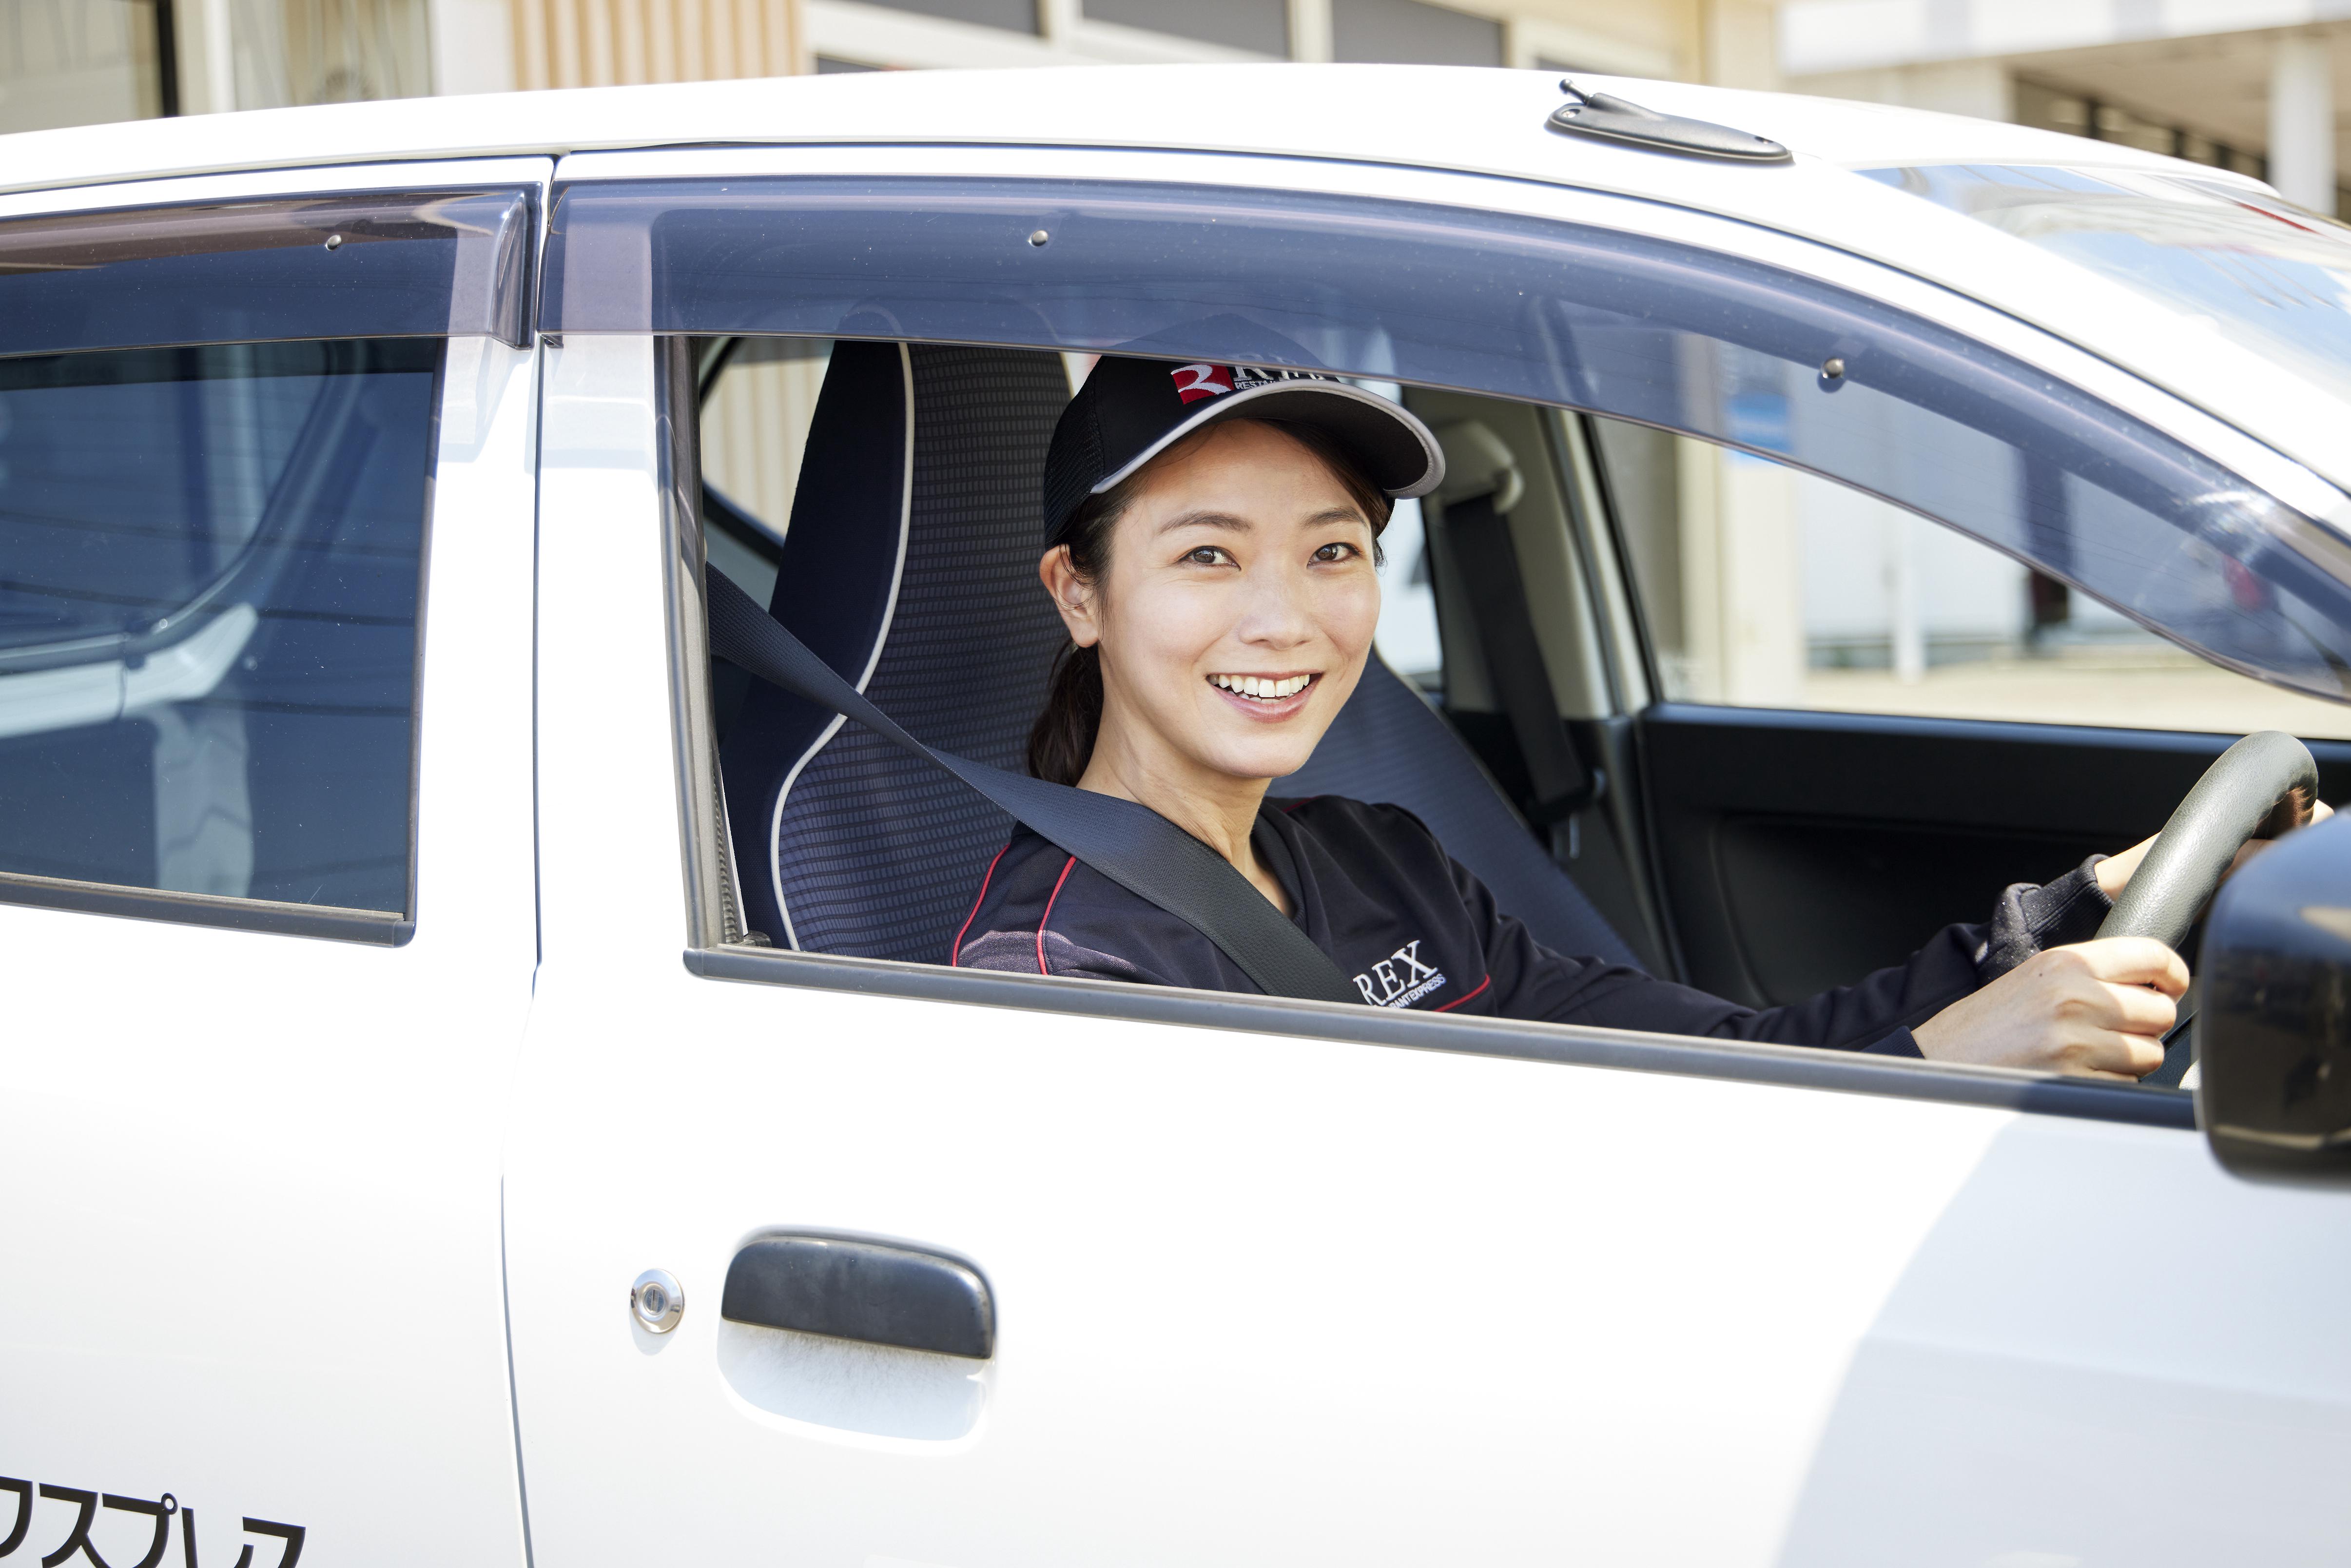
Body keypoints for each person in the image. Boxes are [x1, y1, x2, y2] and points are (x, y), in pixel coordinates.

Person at [950, 352, 2312, 1079]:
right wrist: (1937, 1062)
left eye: (1332, 549)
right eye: (1205, 555)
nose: (1284, 619)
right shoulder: (1064, 984)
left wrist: (2076, 911)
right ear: (1079, 594)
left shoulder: (1374, 853)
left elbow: (1717, 1061)